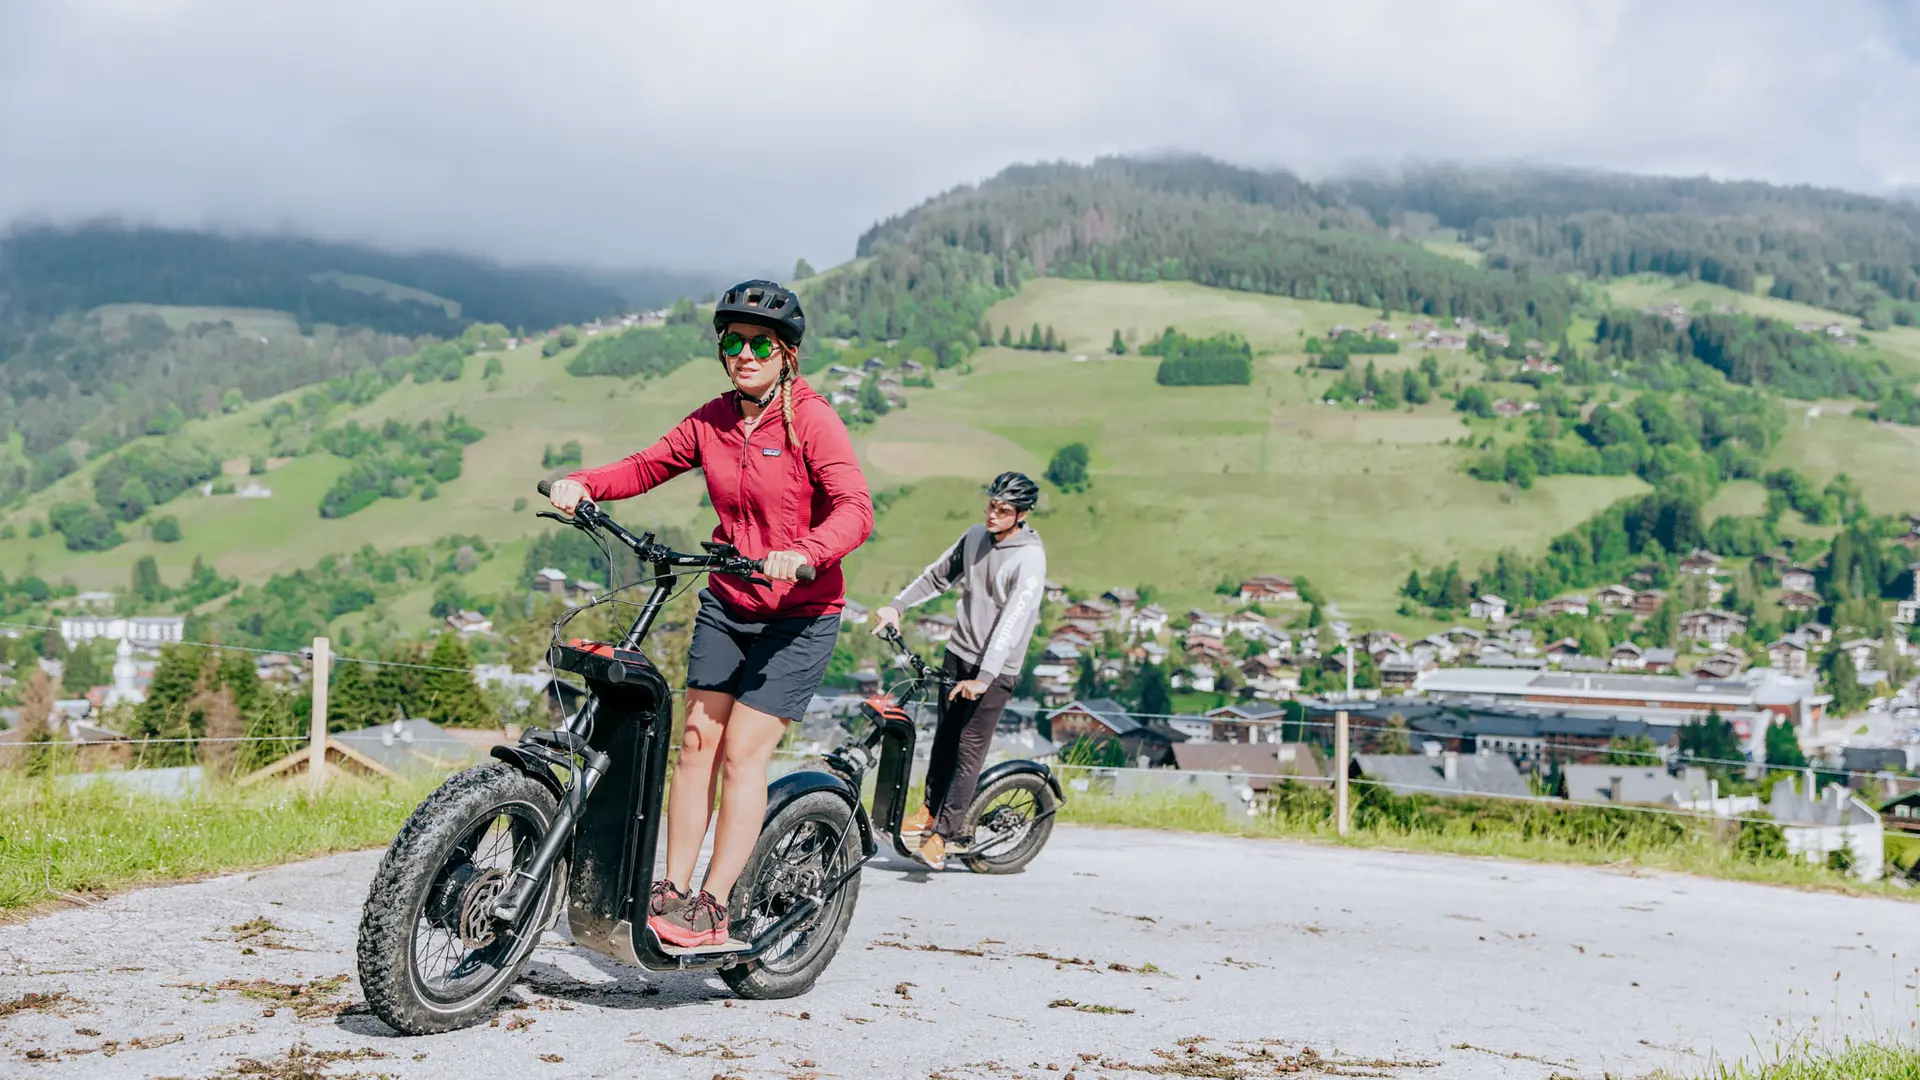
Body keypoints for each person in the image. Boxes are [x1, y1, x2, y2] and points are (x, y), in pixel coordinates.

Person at [546, 279, 872, 949]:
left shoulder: (811, 420)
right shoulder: (714, 420)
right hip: (728, 599)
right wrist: (583, 485)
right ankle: (669, 887)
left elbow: (855, 509)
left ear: (787, 353)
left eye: (759, 344)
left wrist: (807, 552)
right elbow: (646, 465)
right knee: (695, 744)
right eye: (733, 342)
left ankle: (714, 902)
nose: (744, 354)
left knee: (742, 755)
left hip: (800, 614)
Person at [872, 471, 1046, 869]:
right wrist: (897, 606)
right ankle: (930, 811)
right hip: (959, 654)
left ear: (1021, 514)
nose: (993, 514)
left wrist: (982, 680)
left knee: (968, 750)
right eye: (991, 505)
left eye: (1003, 510)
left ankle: (943, 836)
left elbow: (1011, 624)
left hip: (995, 670)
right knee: (944, 739)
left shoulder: (1029, 559)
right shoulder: (975, 538)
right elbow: (937, 576)